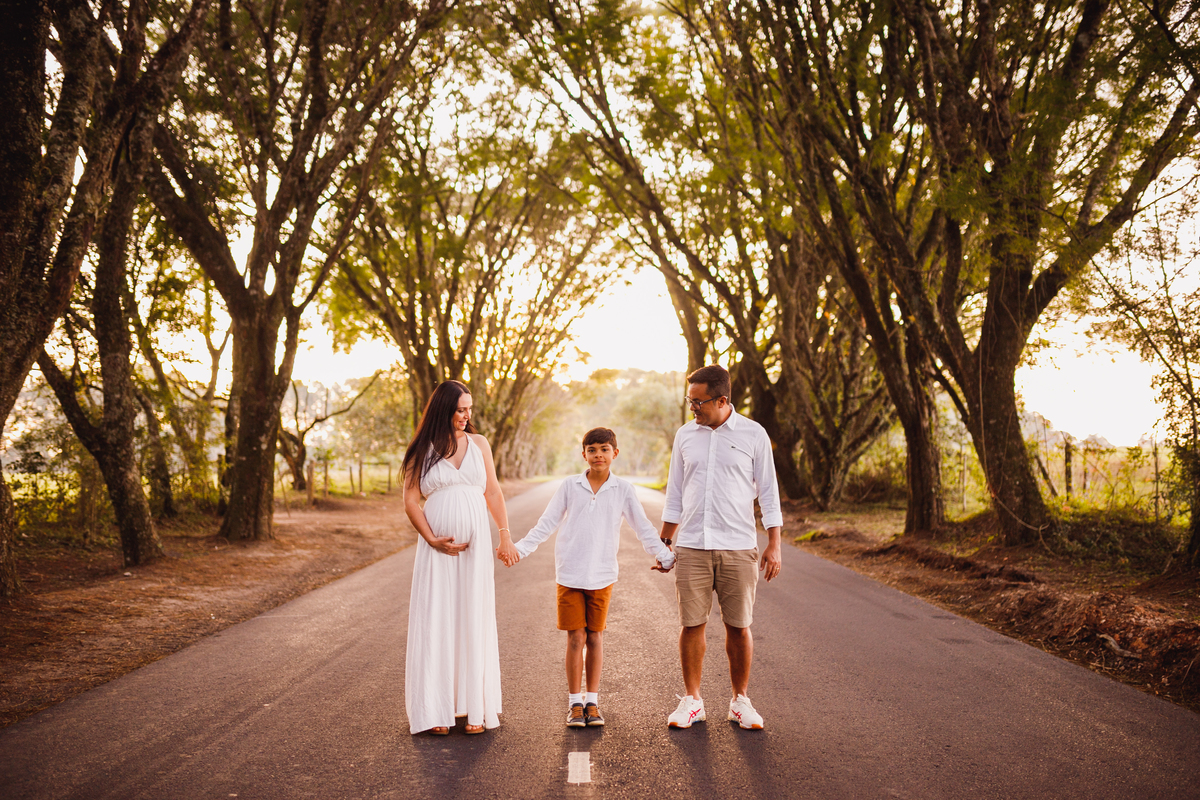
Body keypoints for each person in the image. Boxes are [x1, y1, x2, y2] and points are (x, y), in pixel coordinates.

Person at [501, 427, 675, 728]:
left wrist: (664, 554)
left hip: (602, 574)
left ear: (615, 454)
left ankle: (592, 702)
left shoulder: (623, 490)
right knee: (575, 637)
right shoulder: (570, 486)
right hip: (570, 573)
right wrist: (520, 549)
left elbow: (643, 527)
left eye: (604, 449)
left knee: (594, 637)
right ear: (584, 454)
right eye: (592, 449)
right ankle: (574, 704)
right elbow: (546, 523)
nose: (598, 455)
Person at [660, 365, 783, 730]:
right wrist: (664, 544)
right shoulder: (685, 435)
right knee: (691, 624)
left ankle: (740, 701)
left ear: (722, 400)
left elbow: (770, 493)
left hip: (738, 546)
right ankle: (692, 700)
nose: (692, 408)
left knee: (739, 626)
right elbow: (674, 495)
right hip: (693, 545)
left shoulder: (753, 434)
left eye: (698, 402)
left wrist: (774, 543)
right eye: (690, 400)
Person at [403, 380, 519, 735]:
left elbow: (493, 492)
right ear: (443, 409)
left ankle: (474, 708)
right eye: (460, 409)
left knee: (473, 615)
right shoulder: (422, 448)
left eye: (469, 408)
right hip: (436, 549)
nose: (467, 415)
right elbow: (410, 500)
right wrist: (431, 538)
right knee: (438, 617)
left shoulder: (479, 444)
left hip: (477, 549)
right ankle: (437, 709)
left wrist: (505, 535)